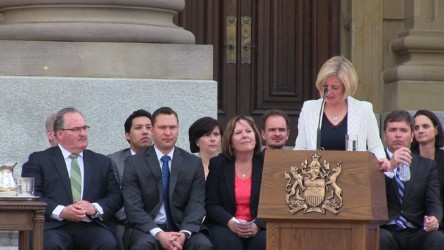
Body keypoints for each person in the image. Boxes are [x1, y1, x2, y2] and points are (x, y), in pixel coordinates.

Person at [22, 107, 123, 250]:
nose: (83, 134)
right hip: (53, 226)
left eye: (84, 128)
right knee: (51, 244)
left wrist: (94, 207)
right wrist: (61, 211)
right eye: (76, 129)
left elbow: (116, 196)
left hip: (89, 225)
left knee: (107, 243)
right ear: (60, 134)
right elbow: (32, 194)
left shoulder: (101, 162)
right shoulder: (39, 160)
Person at [122, 107, 213, 250]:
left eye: (172, 127)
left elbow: (197, 205)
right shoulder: (134, 163)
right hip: (147, 229)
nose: (168, 133)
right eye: (162, 127)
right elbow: (133, 207)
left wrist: (184, 233)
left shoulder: (193, 163)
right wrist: (159, 234)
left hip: (182, 227)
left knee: (203, 245)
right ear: (152, 130)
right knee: (143, 245)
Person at [294, 56, 389, 169]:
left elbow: (375, 146)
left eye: (335, 87)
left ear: (346, 87)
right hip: (317, 180)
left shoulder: (364, 109)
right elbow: (300, 148)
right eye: (325, 86)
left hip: (353, 176)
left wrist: (381, 160)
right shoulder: (309, 108)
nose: (328, 92)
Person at [380, 110, 444, 250]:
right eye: (392, 130)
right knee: (380, 238)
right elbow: (371, 197)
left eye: (403, 130)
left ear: (412, 136)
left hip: (415, 230)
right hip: (385, 228)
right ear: (384, 135)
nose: (398, 134)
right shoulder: (374, 161)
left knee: (437, 238)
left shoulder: (427, 165)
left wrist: (434, 218)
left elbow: (434, 202)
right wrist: (391, 166)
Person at [205, 115, 266, 250]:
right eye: (238, 133)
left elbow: (274, 203)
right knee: (229, 244)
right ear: (230, 141)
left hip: (259, 226)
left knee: (263, 242)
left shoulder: (266, 164)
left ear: (255, 137)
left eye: (249, 131)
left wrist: (257, 224)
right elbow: (211, 204)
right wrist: (231, 223)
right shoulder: (218, 164)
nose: (245, 135)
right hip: (225, 225)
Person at [107, 109, 153, 250]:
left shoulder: (165, 160)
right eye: (138, 128)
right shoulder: (113, 161)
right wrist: (145, 222)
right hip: (127, 223)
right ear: (127, 135)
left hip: (159, 222)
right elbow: (116, 201)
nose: (145, 132)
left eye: (149, 127)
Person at [411, 109, 444, 230]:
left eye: (425, 126)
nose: (420, 130)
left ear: (436, 130)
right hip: (412, 223)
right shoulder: (407, 158)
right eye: (416, 127)